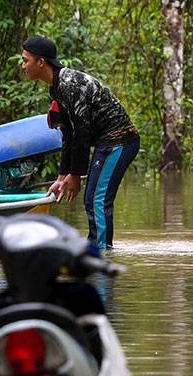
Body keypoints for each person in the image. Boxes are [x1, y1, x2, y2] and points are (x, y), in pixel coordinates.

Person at [21, 35, 140, 250]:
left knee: (96, 200)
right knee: (92, 200)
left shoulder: (69, 84)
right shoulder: (56, 88)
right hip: (106, 142)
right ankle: (96, 247)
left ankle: (102, 254)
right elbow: (68, 134)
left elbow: (82, 133)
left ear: (41, 62)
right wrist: (61, 176)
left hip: (120, 140)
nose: (23, 66)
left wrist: (74, 176)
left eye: (25, 60)